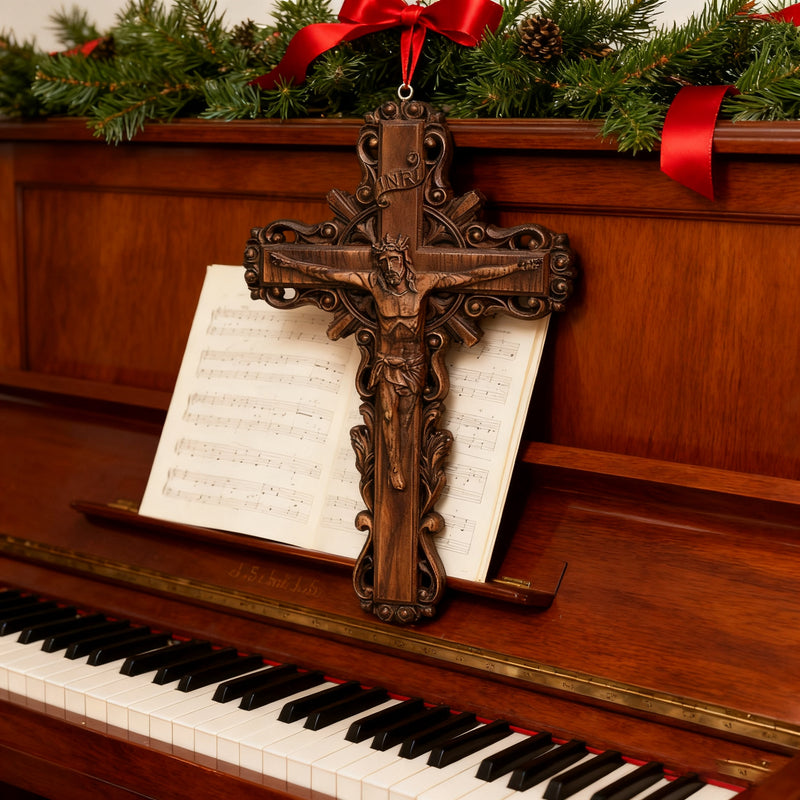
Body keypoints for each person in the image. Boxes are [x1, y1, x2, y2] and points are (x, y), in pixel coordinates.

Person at [270, 233, 538, 490]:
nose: (388, 267)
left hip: (413, 365)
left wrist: (517, 266)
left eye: (393, 260)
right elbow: (328, 273)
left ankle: (406, 464)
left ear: (405, 260)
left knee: (408, 421)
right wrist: (289, 264)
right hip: (386, 362)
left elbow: (471, 276)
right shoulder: (375, 285)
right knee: (387, 415)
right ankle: (394, 467)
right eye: (383, 262)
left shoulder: (423, 284)